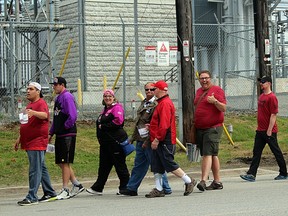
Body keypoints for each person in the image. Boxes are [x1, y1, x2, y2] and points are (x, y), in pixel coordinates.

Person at [145, 80, 196, 198]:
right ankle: (159, 188)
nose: (152, 91)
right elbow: (160, 123)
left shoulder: (165, 104)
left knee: (168, 163)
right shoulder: (161, 103)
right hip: (159, 139)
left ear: (160, 90)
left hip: (164, 140)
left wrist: (157, 139)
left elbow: (164, 125)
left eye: (154, 89)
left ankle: (188, 180)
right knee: (156, 165)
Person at [122, 82, 172, 196]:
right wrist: (133, 137)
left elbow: (155, 124)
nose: (149, 91)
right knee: (138, 165)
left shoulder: (156, 104)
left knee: (156, 165)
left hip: (150, 139)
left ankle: (165, 187)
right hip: (140, 138)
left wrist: (149, 140)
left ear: (156, 90)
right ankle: (132, 188)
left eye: (152, 89)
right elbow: (139, 122)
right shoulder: (144, 102)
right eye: (147, 90)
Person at [14, 82, 57, 206]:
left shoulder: (41, 103)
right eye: (27, 89)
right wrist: (19, 138)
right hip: (28, 141)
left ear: (38, 91)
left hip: (37, 141)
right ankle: (49, 192)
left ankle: (32, 196)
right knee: (41, 168)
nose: (28, 91)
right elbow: (26, 124)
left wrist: (34, 113)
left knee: (35, 170)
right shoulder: (30, 105)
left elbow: (45, 115)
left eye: (31, 89)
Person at [240, 76, 287, 182]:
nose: (261, 83)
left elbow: (273, 114)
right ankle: (251, 174)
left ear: (269, 83)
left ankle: (283, 172)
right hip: (260, 130)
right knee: (256, 152)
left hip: (269, 131)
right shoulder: (261, 96)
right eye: (260, 82)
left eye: (263, 82)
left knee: (276, 151)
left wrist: (269, 130)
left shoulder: (272, 97)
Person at [86, 89, 130, 195]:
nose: (107, 98)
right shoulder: (105, 109)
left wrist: (103, 126)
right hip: (105, 143)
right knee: (104, 166)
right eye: (105, 96)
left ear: (114, 97)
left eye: (110, 96)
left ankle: (126, 187)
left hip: (115, 142)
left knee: (120, 165)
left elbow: (118, 121)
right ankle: (98, 187)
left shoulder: (117, 108)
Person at [48, 77, 84, 200]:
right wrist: (51, 132)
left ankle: (65, 189)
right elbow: (56, 118)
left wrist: (65, 127)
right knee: (60, 161)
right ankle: (76, 184)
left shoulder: (67, 96)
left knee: (65, 161)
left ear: (62, 85)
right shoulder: (58, 98)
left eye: (56, 84)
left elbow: (73, 115)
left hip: (67, 134)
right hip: (60, 134)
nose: (54, 86)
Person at [194, 70, 226, 191]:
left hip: (213, 127)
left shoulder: (217, 90)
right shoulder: (198, 91)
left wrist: (215, 101)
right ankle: (217, 181)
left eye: (206, 78)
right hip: (201, 128)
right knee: (212, 154)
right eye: (201, 78)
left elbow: (223, 108)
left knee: (207, 154)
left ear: (210, 78)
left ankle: (203, 180)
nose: (204, 80)